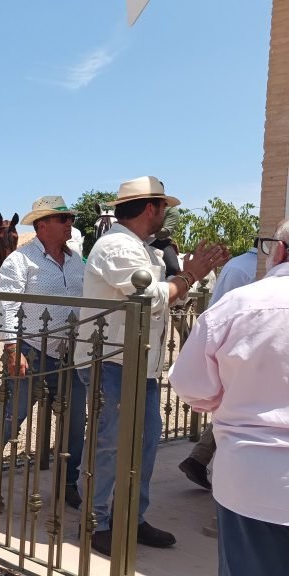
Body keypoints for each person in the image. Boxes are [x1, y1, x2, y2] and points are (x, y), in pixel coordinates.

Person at [73, 176, 228, 556]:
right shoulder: (115, 246)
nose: (166, 216)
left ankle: (130, 517)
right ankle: (96, 522)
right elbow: (149, 296)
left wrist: (184, 277)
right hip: (111, 361)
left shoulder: (141, 248)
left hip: (137, 362)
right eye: (163, 208)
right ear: (149, 208)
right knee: (110, 444)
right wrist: (187, 275)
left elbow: (168, 297)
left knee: (143, 443)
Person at [168, 225, 289, 576]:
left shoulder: (241, 305)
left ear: (279, 251)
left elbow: (191, 386)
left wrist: (229, 394)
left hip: (253, 482)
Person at [0, 196, 85, 510]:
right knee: (9, 418)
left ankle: (68, 483)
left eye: (71, 219)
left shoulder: (77, 261)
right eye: (63, 219)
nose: (70, 224)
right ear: (42, 225)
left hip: (69, 353)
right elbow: (7, 305)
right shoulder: (19, 260)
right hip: (30, 350)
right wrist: (12, 348)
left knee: (76, 422)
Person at [177, 238, 259, 491]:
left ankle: (199, 459)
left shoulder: (240, 264)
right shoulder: (250, 269)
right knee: (236, 408)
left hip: (231, 345)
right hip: (240, 347)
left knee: (231, 406)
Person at [150, 205, 182, 277]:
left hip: (160, 242)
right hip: (136, 238)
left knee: (172, 268)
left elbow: (166, 231)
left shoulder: (171, 209)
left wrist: (145, 232)